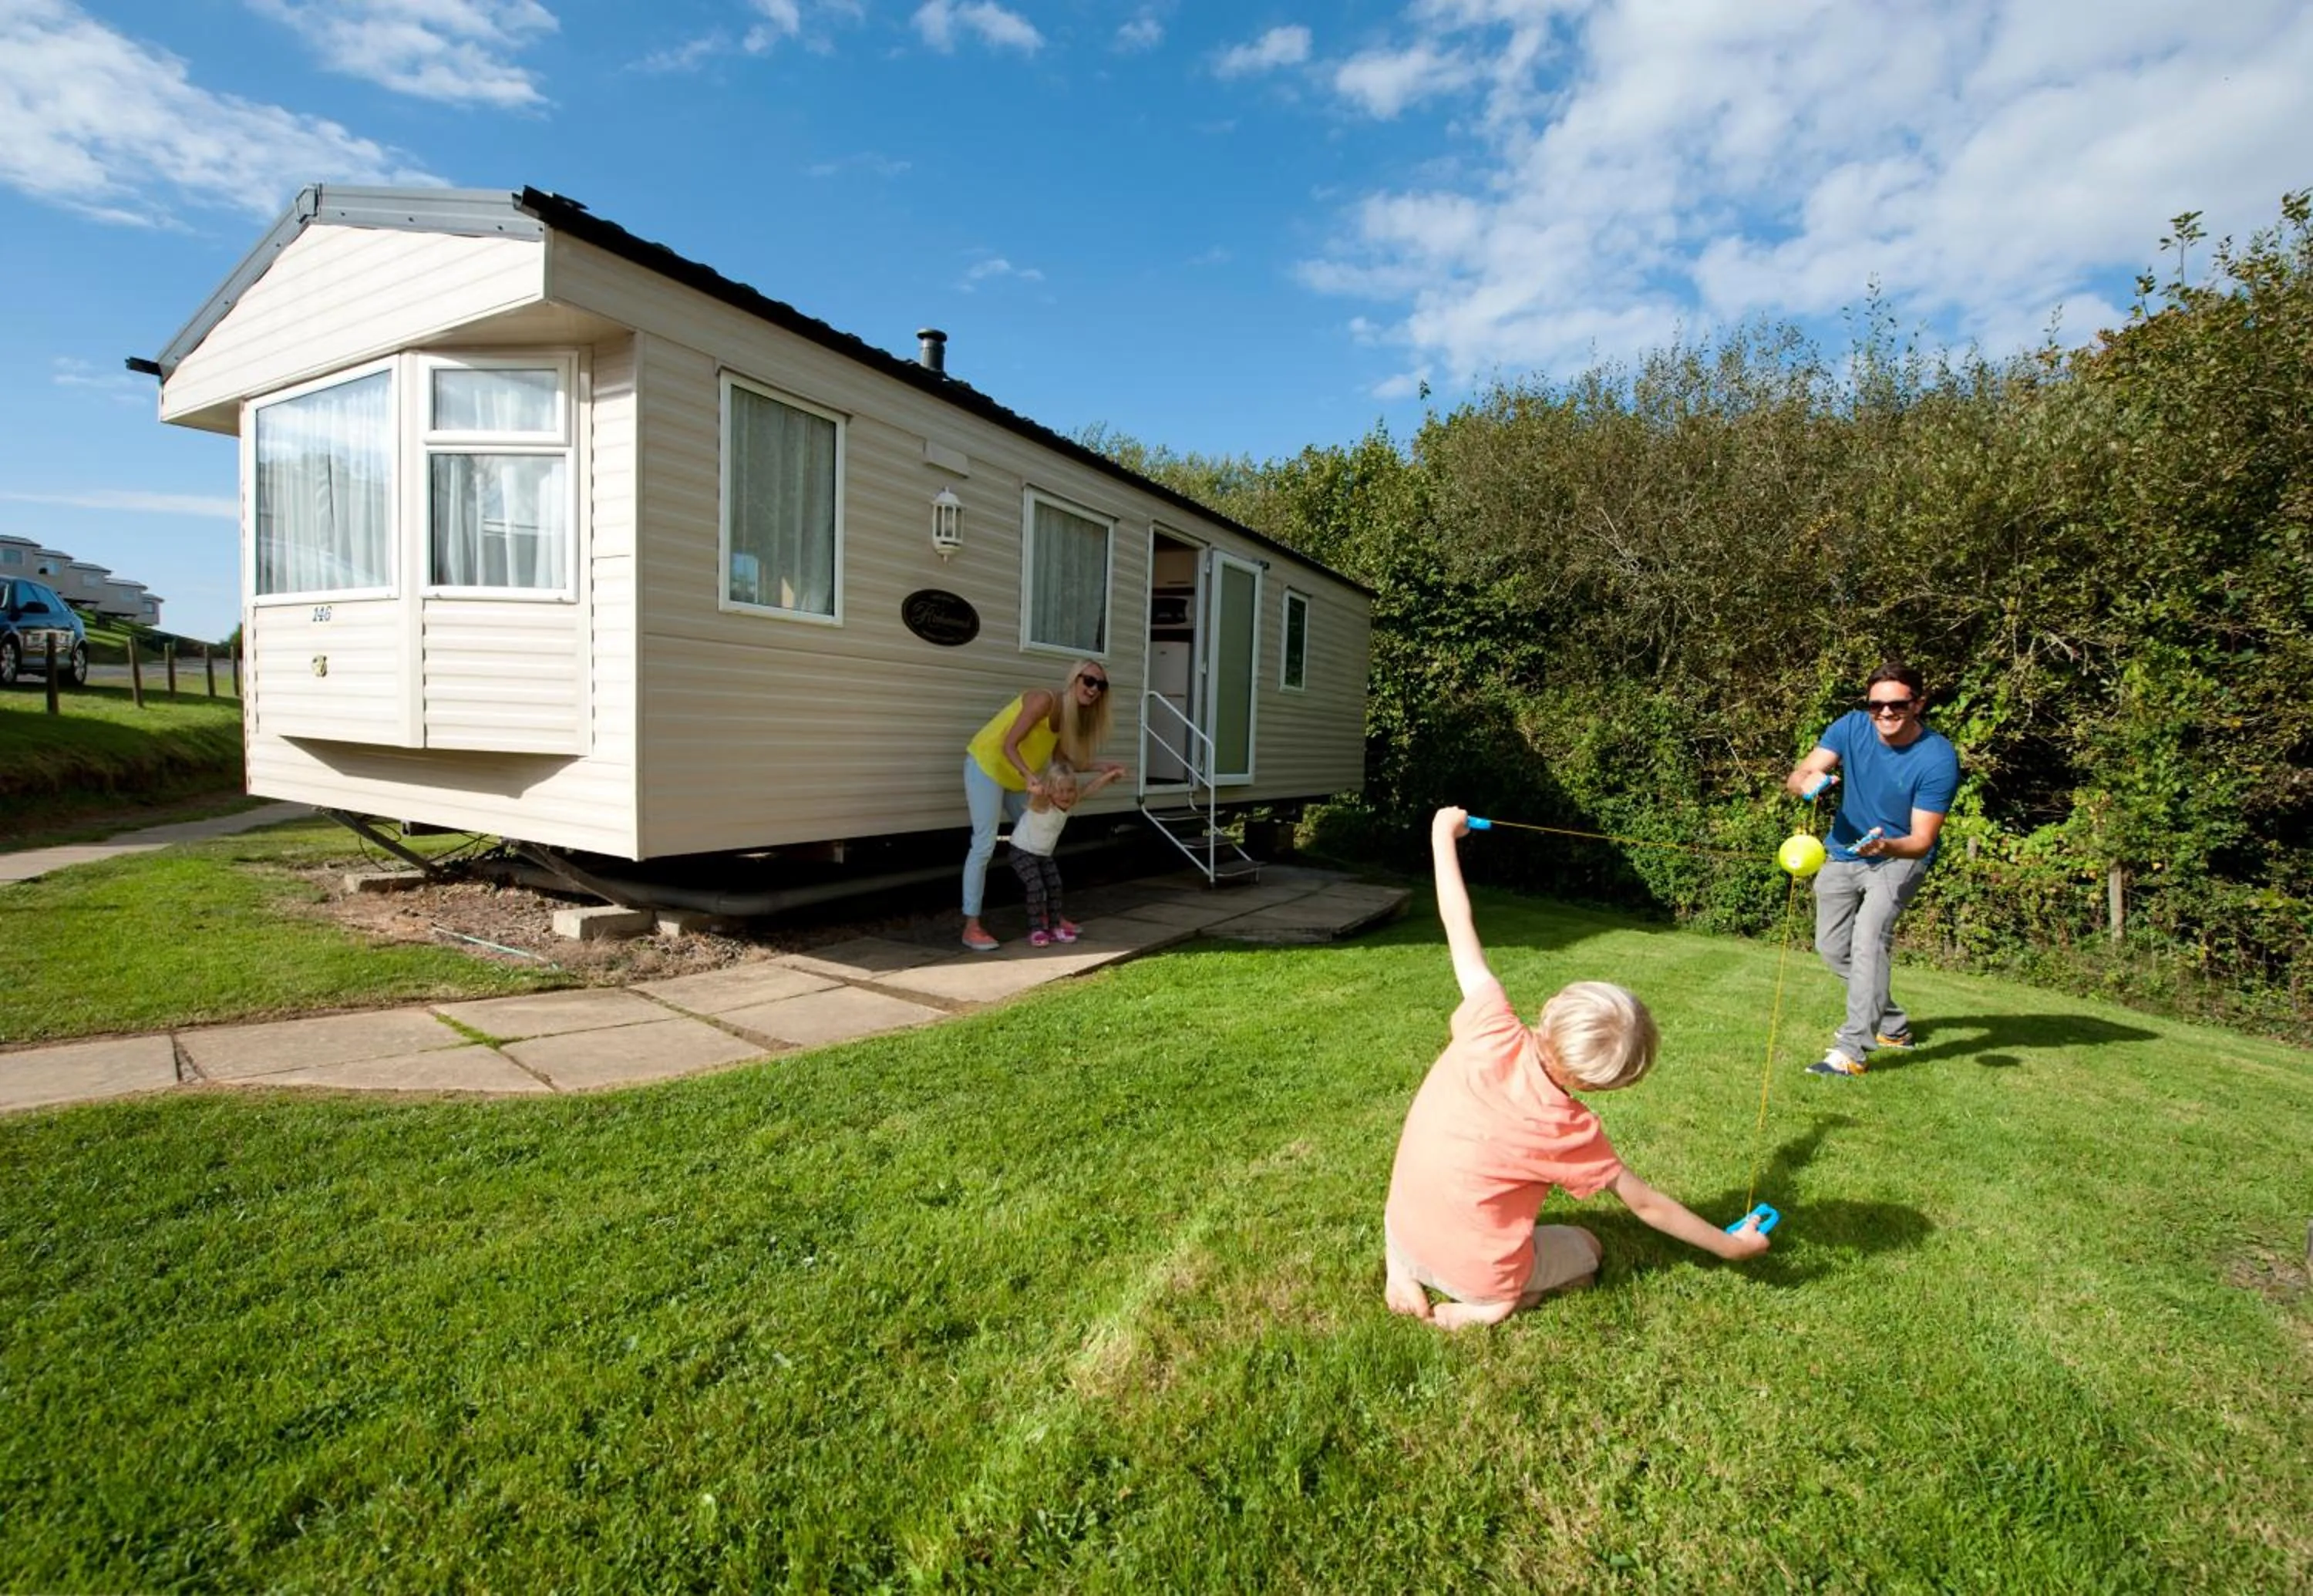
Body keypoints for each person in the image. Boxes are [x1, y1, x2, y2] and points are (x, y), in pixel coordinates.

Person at [1382, 805, 1772, 1331]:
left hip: (1402, 1226)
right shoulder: (1572, 1131)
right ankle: (1492, 1306)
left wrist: (1440, 835)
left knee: (1432, 1204)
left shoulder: (1489, 1022)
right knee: (1586, 1248)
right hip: (1476, 1273)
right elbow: (1649, 1207)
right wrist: (1732, 1246)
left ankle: (1401, 1269)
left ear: (1550, 1009)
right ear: (1601, 1084)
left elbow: (1458, 921)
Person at [1784, 660, 1961, 1078]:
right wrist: (1805, 782)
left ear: (1918, 703)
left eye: (1897, 705)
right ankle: (1894, 1026)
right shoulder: (1850, 727)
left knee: (1869, 941)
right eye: (1875, 705)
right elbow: (1801, 774)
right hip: (1843, 852)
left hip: (1899, 858)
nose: (1884, 714)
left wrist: (1886, 845)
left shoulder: (1937, 758)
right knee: (1832, 949)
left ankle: (1852, 1051)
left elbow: (1922, 839)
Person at [961, 662, 1126, 951]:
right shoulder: (1043, 700)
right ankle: (971, 927)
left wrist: (1101, 767)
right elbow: (1009, 744)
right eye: (1089, 681)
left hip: (1019, 776)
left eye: (1101, 685)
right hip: (987, 765)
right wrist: (1029, 776)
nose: (1093, 689)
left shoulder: (1067, 717)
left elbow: (1063, 761)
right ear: (1074, 680)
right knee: (984, 843)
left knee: (1036, 839)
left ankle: (1050, 917)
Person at [1008, 756, 1124, 947]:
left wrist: (1109, 775)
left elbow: (1089, 790)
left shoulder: (1069, 802)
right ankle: (1036, 929)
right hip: (1022, 851)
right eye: (1059, 791)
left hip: (1043, 854)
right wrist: (1035, 790)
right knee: (1036, 886)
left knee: (1055, 885)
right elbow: (1036, 796)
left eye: (1070, 790)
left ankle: (1054, 927)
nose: (1065, 795)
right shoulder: (1043, 803)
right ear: (1050, 791)